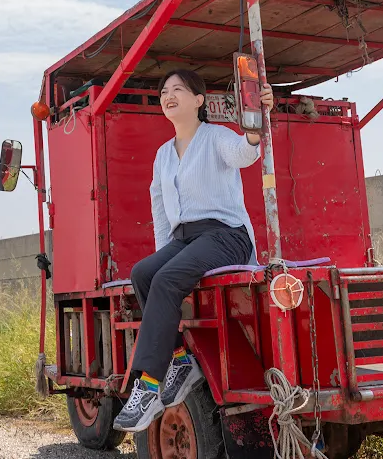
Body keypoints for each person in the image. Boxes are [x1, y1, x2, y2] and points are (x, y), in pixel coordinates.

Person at [113, 69, 274, 433]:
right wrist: (165, 253)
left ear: (199, 101)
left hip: (226, 235)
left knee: (167, 278)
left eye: (178, 90)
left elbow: (244, 153)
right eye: (164, 92)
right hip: (184, 239)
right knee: (145, 273)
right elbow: (158, 208)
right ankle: (180, 360)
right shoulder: (163, 156)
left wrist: (255, 122)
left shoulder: (215, 136)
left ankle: (148, 385)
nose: (168, 96)